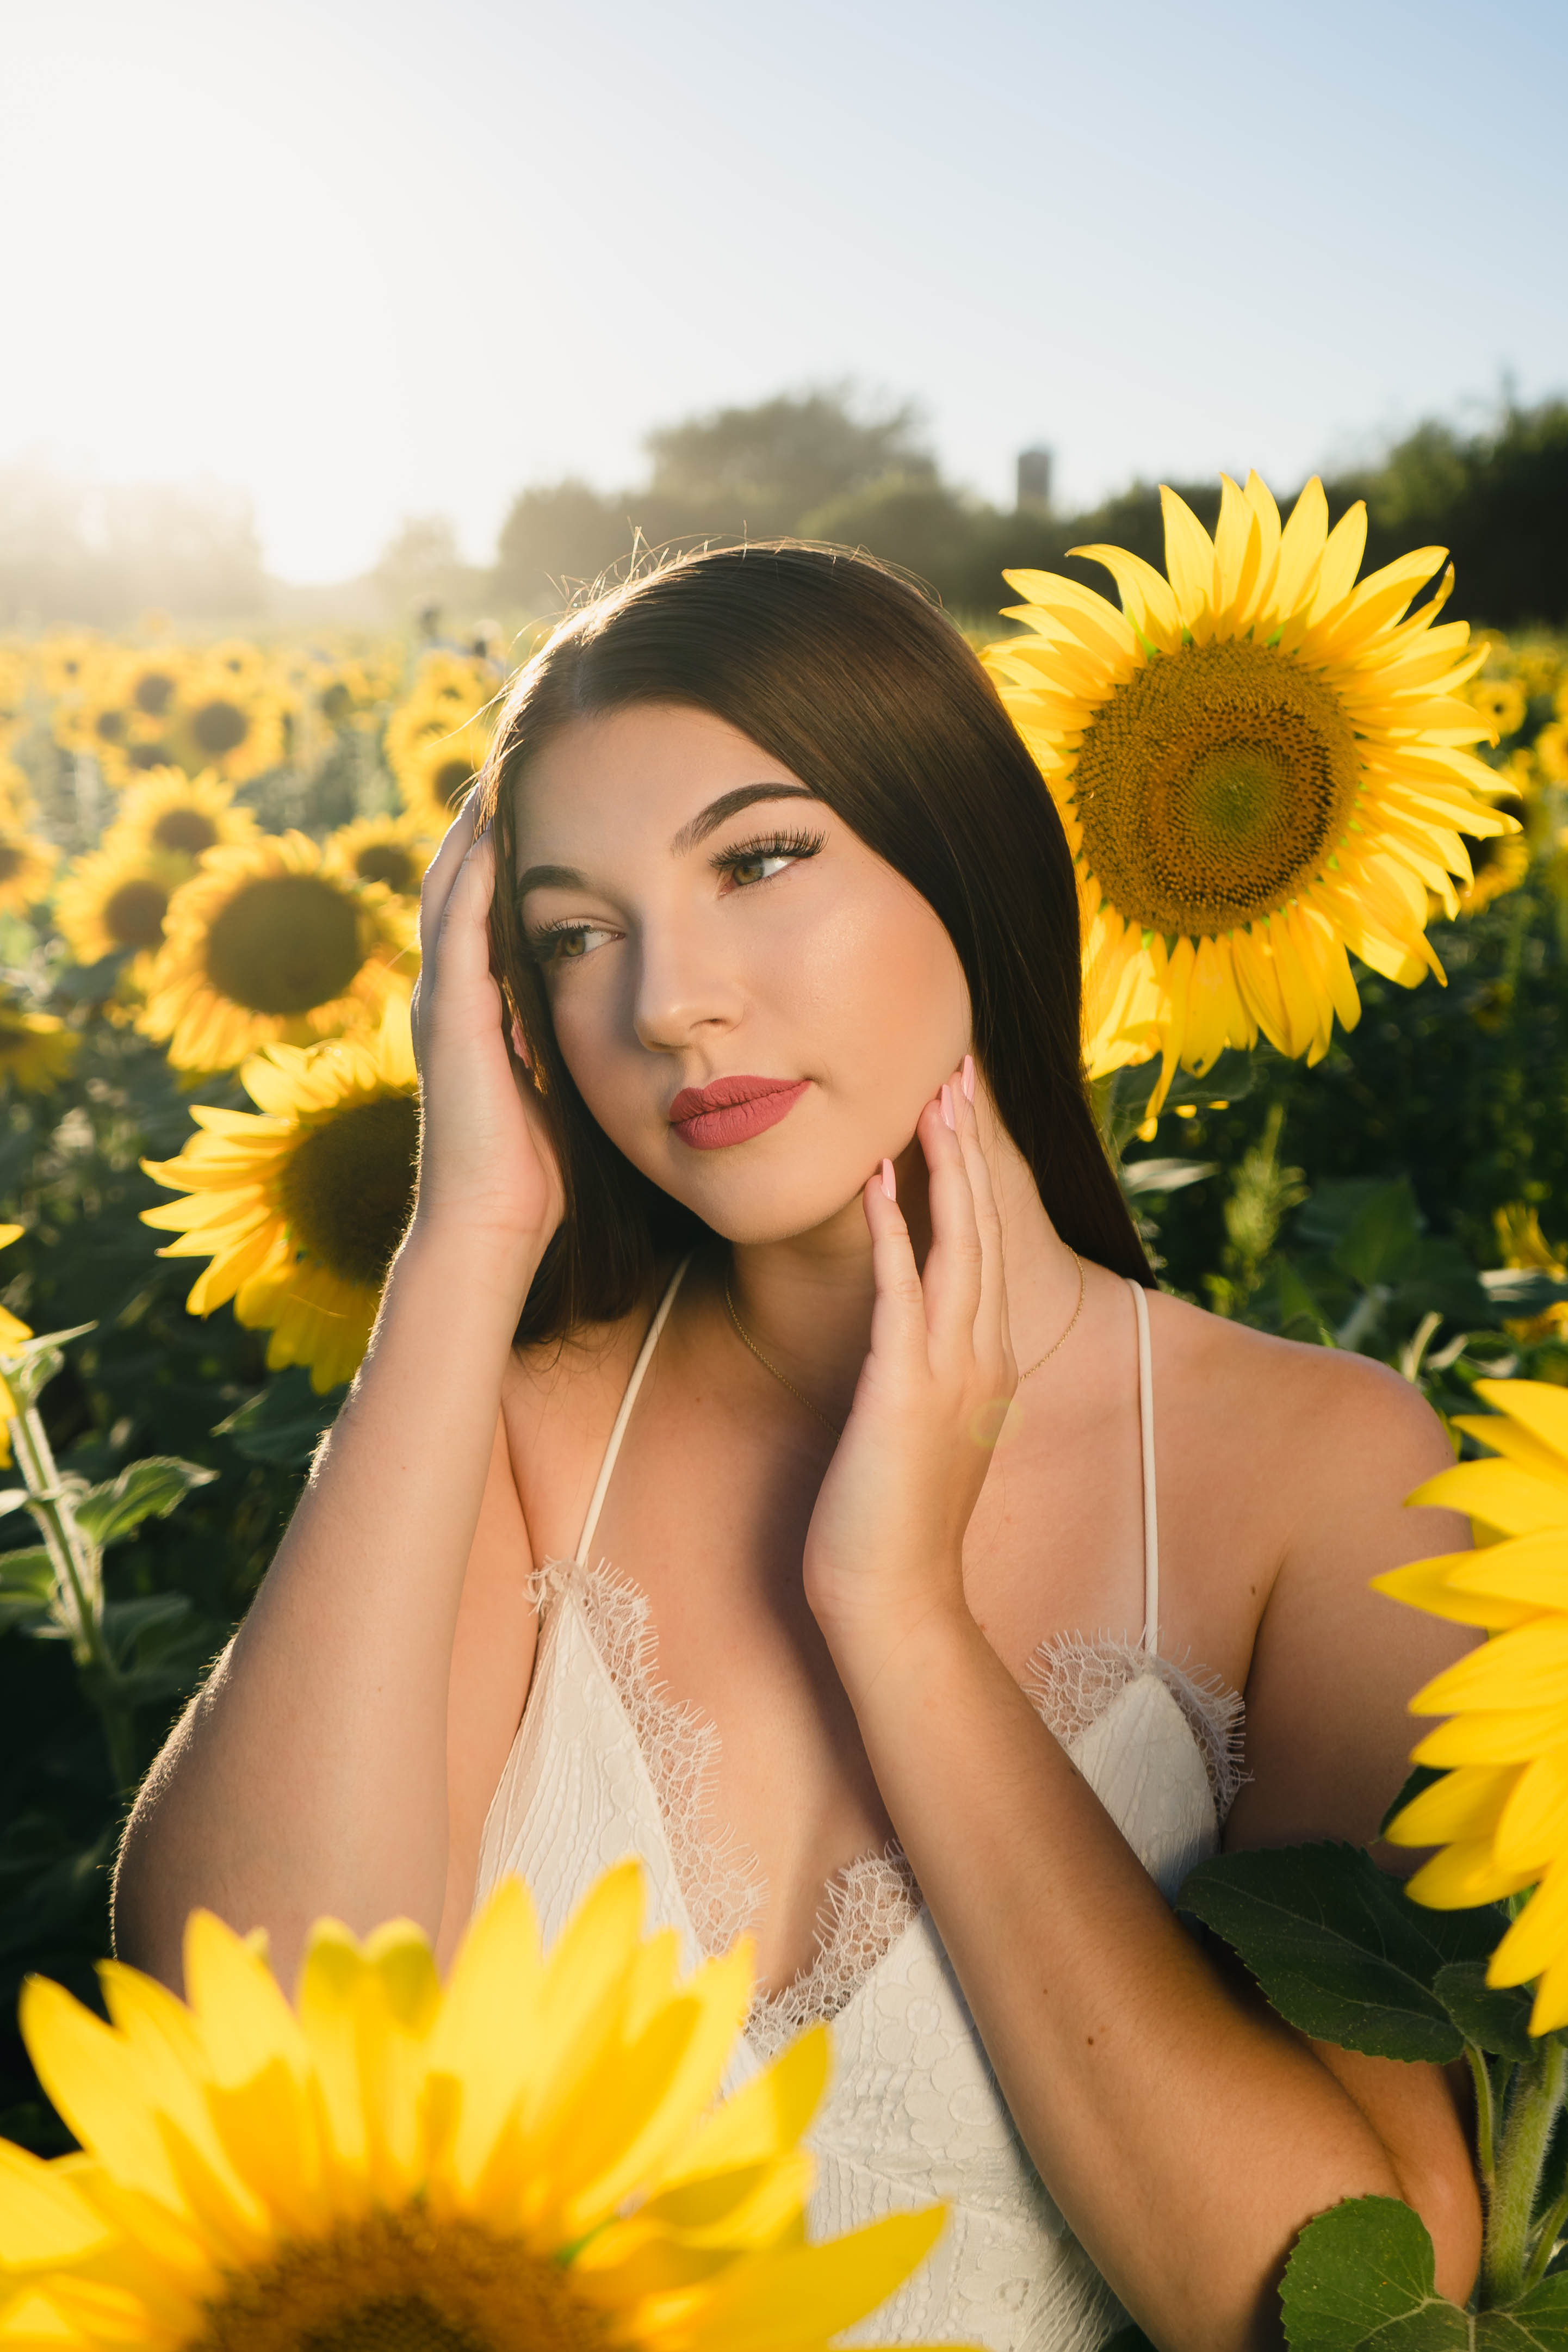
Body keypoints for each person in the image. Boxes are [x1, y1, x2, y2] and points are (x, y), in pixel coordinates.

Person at [115, 544, 1482, 2351]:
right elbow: (247, 2054)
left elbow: (1332, 2305)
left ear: (965, 852)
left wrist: (897, 1610)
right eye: (572, 933)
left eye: (758, 859)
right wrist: (461, 1239)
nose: (667, 999)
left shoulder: (1320, 1472)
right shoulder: (511, 1428)